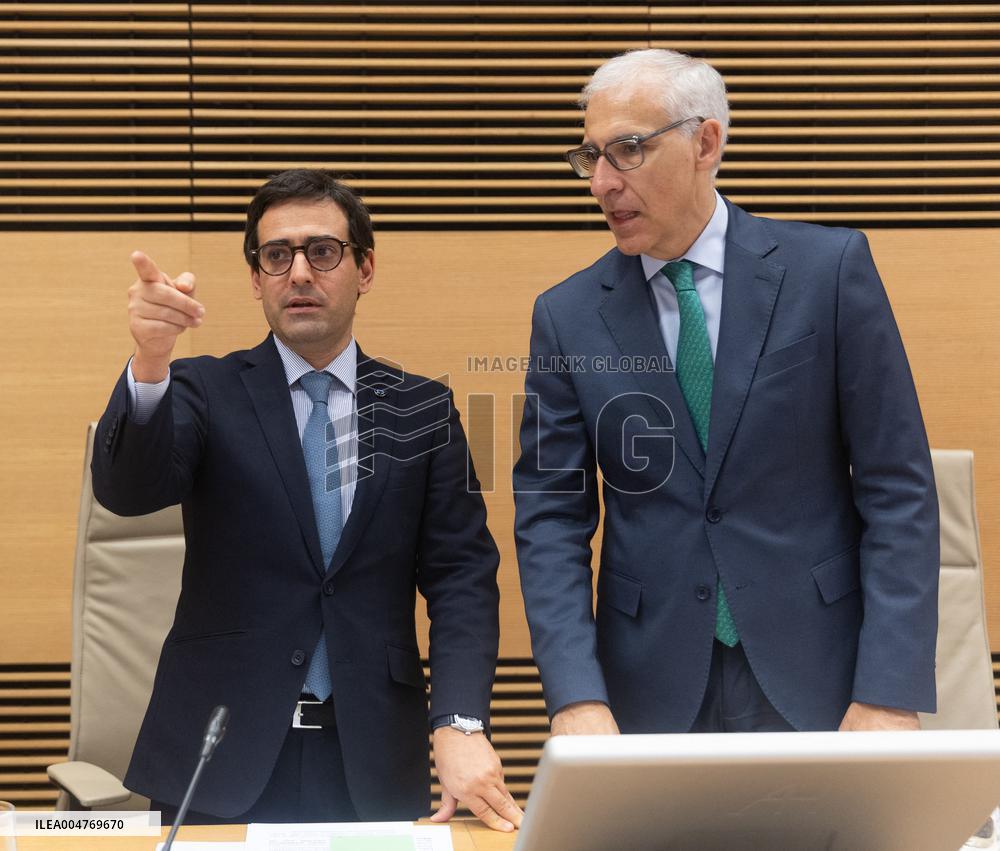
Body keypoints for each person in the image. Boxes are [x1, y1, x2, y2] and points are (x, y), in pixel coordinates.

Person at [513, 49, 939, 737]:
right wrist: (573, 694)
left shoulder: (827, 274)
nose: (600, 182)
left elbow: (899, 489)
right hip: (646, 685)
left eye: (626, 150)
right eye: (589, 156)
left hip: (821, 674)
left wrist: (889, 687)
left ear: (705, 142)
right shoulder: (566, 316)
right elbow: (551, 521)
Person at [91, 168, 523, 831]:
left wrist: (460, 721)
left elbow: (462, 579)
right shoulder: (204, 390)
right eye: (276, 255)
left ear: (365, 268)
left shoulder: (421, 409)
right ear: (255, 279)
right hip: (219, 758)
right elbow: (126, 492)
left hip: (370, 759)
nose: (298, 272)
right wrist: (149, 362)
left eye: (322, 251)